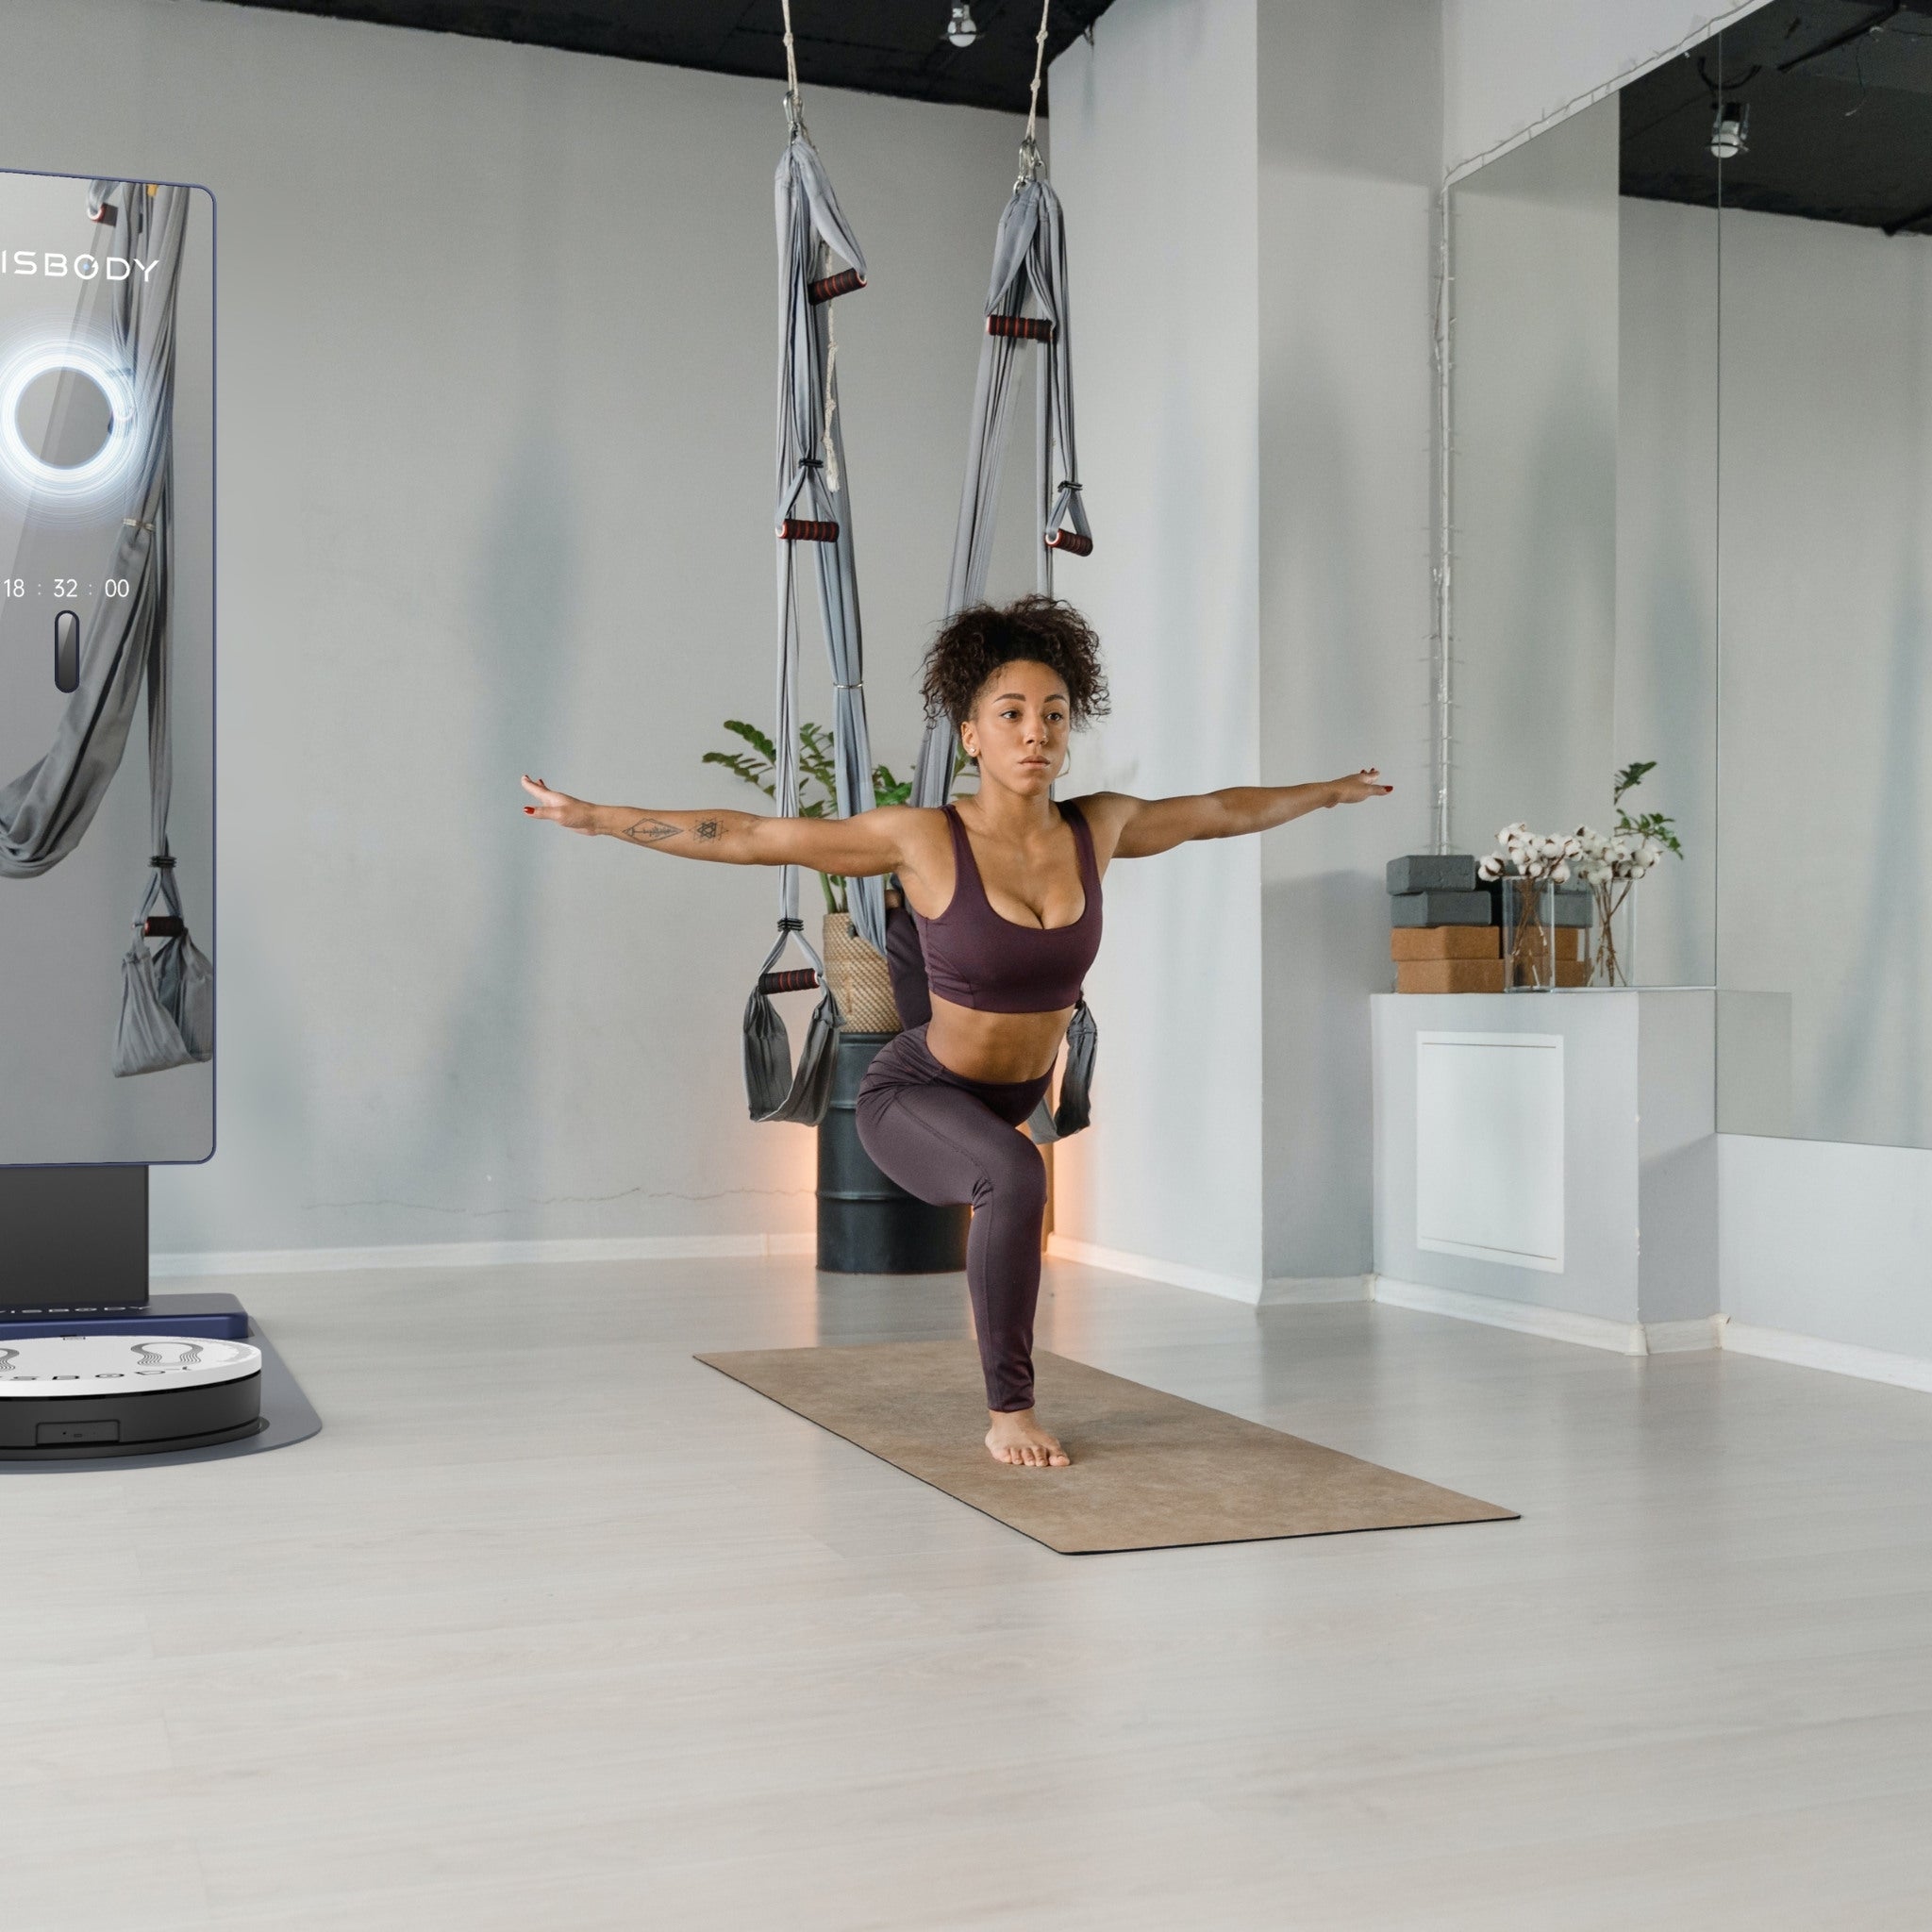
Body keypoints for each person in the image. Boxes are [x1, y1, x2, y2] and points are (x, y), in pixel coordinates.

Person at [521, 595, 1391, 1469]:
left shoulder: (1100, 826)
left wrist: (1328, 792)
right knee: (1014, 1175)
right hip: (913, 1095)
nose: (1035, 732)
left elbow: (1221, 811)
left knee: (1001, 1140)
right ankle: (1010, 1412)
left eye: (1053, 715)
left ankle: (1009, 1376)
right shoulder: (924, 839)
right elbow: (751, 836)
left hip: (1011, 1093)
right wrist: (596, 818)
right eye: (1010, 714)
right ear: (971, 735)